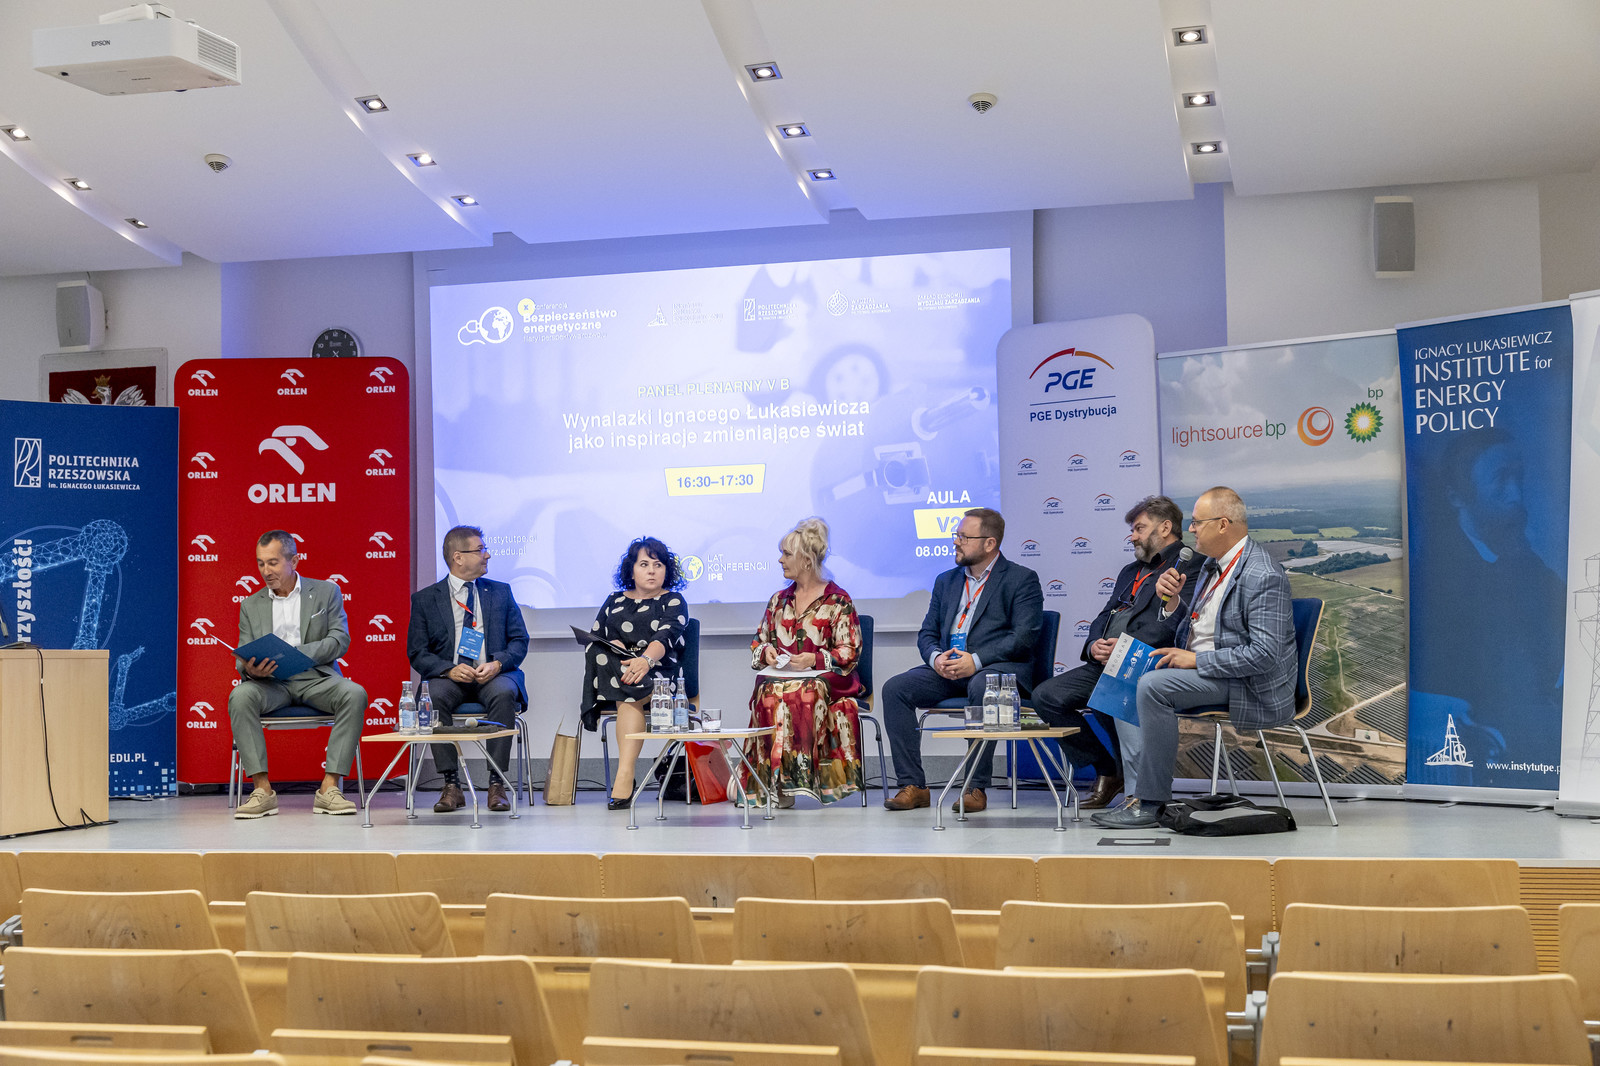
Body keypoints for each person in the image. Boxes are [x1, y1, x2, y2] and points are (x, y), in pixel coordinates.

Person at [1093, 487, 1296, 829]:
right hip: (1211, 671)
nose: (1190, 529)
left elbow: (1264, 655)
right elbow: (1201, 625)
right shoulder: (1212, 566)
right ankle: (1134, 791)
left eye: (1198, 522)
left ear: (1223, 524)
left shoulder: (1262, 574)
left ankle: (1151, 802)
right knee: (1127, 671)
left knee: (1153, 686)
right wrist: (1172, 602)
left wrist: (1195, 661)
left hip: (1246, 682)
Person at [1029, 495, 1204, 809]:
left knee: (1110, 693)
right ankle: (1109, 771)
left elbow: (1174, 624)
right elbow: (1104, 615)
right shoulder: (1129, 571)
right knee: (1046, 697)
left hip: (1150, 663)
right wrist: (1093, 644)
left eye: (1139, 528)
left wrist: (1124, 649)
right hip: (1107, 662)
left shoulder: (1191, 567)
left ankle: (1140, 792)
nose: (1132, 536)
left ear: (1165, 528)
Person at [881, 507, 1043, 812]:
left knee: (983, 686)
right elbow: (927, 633)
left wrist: (976, 660)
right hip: (948, 670)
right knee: (896, 688)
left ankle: (974, 787)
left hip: (994, 670)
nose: (956, 542)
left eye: (964, 537)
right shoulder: (946, 581)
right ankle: (914, 785)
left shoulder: (1021, 579)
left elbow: (1024, 638)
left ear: (989, 543)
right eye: (956, 535)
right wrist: (935, 659)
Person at [227, 529, 366, 819]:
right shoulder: (250, 604)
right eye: (261, 563)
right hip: (271, 684)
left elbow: (339, 639)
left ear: (294, 561)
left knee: (354, 694)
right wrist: (249, 668)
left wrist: (298, 654)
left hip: (316, 679)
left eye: (273, 562)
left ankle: (329, 788)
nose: (266, 571)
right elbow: (243, 653)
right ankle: (262, 791)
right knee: (240, 696)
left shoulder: (327, 592)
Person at [405, 525, 529, 813]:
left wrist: (498, 663)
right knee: (433, 697)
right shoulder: (425, 599)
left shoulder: (500, 592)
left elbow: (520, 640)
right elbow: (417, 652)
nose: (487, 555)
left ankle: (497, 783)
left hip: (493, 675)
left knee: (504, 693)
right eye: (480, 550)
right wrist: (448, 670)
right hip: (449, 678)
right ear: (458, 557)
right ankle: (451, 784)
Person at [744, 517, 865, 807]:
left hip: (829, 679)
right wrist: (767, 652)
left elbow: (850, 650)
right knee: (769, 692)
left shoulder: (838, 600)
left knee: (806, 692)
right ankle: (775, 784)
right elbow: (759, 641)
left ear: (807, 560)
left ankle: (801, 779)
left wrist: (815, 658)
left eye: (787, 554)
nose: (780, 560)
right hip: (783, 677)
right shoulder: (779, 600)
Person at [580, 536, 689, 810]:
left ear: (667, 570)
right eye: (644, 564)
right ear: (631, 570)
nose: (652, 570)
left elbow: (665, 636)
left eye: (658, 565)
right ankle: (625, 775)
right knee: (599, 652)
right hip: (620, 672)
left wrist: (645, 661)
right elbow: (597, 636)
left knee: (627, 694)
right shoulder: (614, 600)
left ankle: (625, 774)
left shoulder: (674, 601)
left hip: (659, 676)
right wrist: (615, 646)